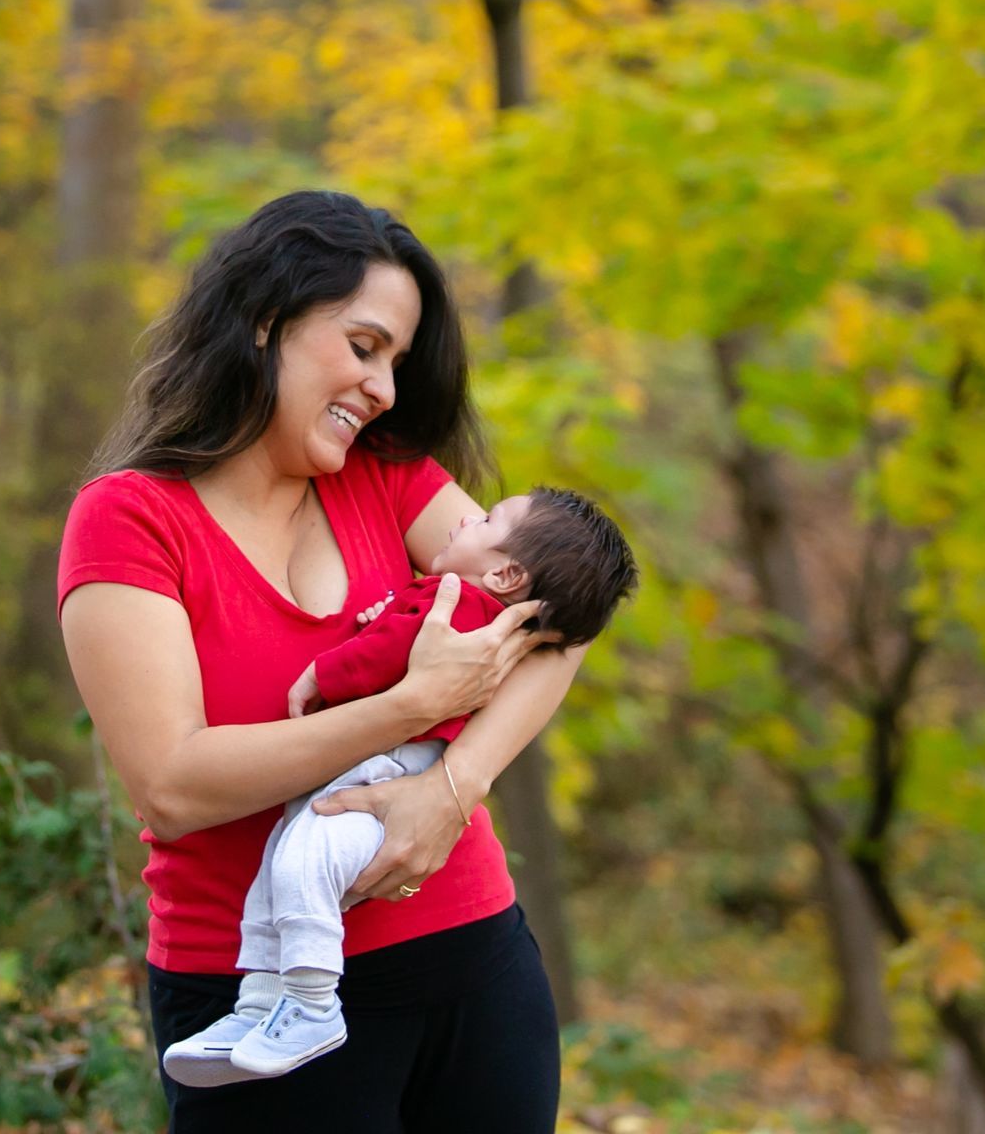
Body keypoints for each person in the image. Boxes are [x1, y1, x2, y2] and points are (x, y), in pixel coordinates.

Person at [57, 189, 587, 1132]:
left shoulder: (392, 484)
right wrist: (407, 708)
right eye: (364, 345)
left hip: (475, 964)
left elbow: (561, 626)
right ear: (265, 323)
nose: (384, 389)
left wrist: (451, 788)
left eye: (397, 363)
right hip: (256, 1005)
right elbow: (173, 785)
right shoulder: (132, 520)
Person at [162, 487, 637, 1086]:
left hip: (388, 773)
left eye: (486, 519)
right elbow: (403, 630)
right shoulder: (473, 609)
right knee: (277, 877)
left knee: (300, 868)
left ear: (507, 572)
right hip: (372, 772)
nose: (466, 514)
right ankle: (258, 1007)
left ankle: (310, 1005)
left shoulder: (462, 603)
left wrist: (324, 671)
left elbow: (390, 653)